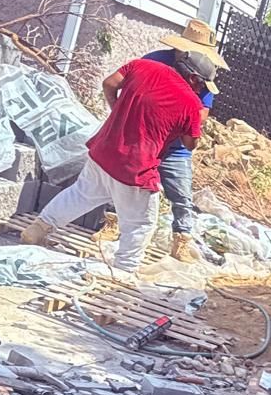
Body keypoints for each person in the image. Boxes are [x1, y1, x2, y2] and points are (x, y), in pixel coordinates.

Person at [21, 52, 215, 273]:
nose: (202, 91)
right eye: (202, 85)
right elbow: (190, 144)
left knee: (80, 194)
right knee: (141, 223)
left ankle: (39, 227)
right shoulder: (191, 103)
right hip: (135, 168)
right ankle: (124, 270)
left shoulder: (143, 66)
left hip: (104, 151)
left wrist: (116, 108)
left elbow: (108, 83)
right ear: (192, 78)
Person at [142, 17, 227, 262]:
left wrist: (175, 124)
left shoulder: (202, 74)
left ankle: (181, 241)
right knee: (124, 182)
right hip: (144, 139)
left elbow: (200, 116)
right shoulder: (154, 62)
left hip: (176, 148)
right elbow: (128, 88)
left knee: (181, 196)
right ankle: (112, 224)